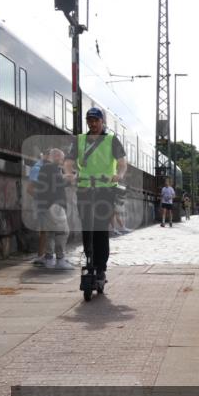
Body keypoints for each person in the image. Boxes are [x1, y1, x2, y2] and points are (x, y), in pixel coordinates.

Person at [64, 107, 128, 287]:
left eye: (96, 120)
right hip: (84, 187)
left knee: (100, 227)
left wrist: (119, 174)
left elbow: (122, 162)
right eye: (89, 120)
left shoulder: (111, 140)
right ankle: (89, 257)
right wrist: (69, 173)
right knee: (86, 225)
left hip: (106, 188)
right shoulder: (79, 140)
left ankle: (101, 267)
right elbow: (69, 161)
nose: (92, 124)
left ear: (102, 122)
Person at [33, 148, 74, 270]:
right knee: (63, 232)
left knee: (50, 233)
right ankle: (60, 259)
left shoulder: (45, 167)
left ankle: (49, 258)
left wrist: (65, 178)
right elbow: (58, 183)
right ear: (55, 156)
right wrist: (69, 180)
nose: (62, 161)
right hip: (54, 205)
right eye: (61, 158)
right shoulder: (51, 167)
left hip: (47, 205)